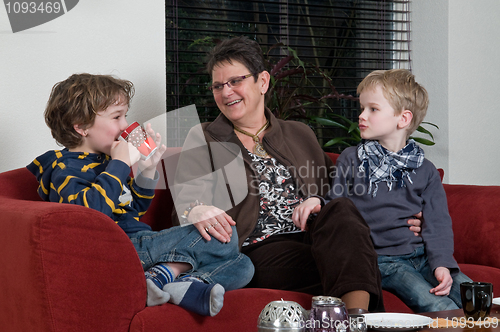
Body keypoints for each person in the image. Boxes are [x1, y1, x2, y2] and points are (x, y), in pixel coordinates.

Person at [171, 36, 423, 313]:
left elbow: (345, 194)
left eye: (235, 81)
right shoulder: (204, 136)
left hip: (316, 237)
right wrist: (196, 210)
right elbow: (184, 205)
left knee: (340, 211)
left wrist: (402, 210)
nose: (226, 92)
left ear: (263, 82)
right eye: (218, 85)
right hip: (257, 249)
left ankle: (353, 321)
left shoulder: (299, 133)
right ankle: (358, 319)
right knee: (355, 261)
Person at [27, 73, 254, 317]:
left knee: (244, 266)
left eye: (125, 115)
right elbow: (90, 217)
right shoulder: (63, 168)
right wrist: (121, 163)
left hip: (142, 242)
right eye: (117, 117)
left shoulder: (107, 160)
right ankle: (168, 274)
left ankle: (174, 283)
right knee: (224, 236)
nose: (126, 126)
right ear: (81, 127)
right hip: (116, 250)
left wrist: (147, 170)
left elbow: (133, 209)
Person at [299, 69, 472, 313]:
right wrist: (316, 202)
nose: (362, 116)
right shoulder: (351, 159)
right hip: (384, 262)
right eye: (362, 108)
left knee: (477, 296)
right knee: (436, 304)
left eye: (373, 109)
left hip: (422, 255)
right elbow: (335, 205)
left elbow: (438, 223)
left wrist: (441, 264)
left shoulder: (426, 170)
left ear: (403, 119)